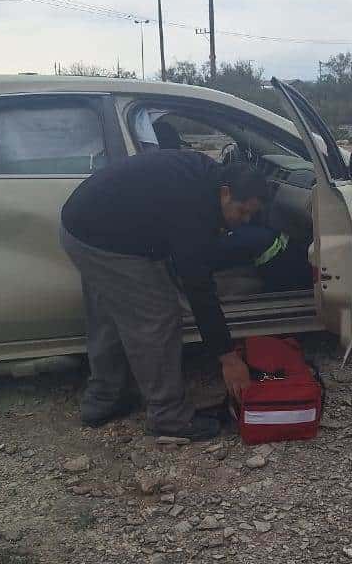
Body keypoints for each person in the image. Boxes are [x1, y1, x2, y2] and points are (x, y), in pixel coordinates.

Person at [59, 150, 268, 437]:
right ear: (225, 193)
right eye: (242, 211)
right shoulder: (194, 209)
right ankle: (169, 416)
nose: (244, 220)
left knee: (109, 311)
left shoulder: (207, 176)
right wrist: (228, 358)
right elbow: (199, 288)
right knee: (158, 316)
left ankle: (104, 398)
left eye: (251, 214)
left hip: (83, 225)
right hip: (101, 239)